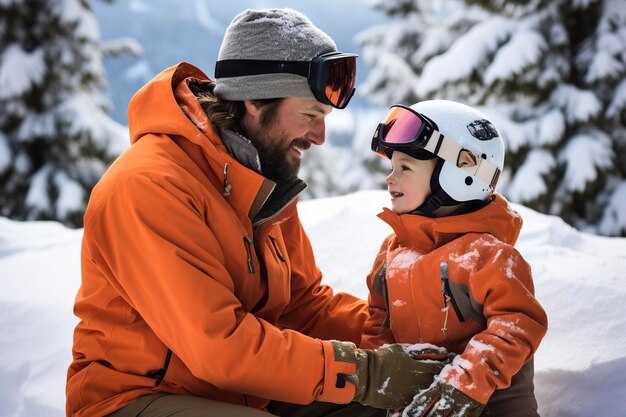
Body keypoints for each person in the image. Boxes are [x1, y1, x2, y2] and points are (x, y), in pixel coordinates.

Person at [66, 8, 450, 417]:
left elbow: (303, 307)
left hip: (240, 389)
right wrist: (365, 373)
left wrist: (406, 330)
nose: (319, 137)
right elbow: (219, 345)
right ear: (253, 98)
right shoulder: (149, 186)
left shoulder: (259, 177)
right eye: (309, 115)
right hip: (134, 397)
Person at [363, 100, 549, 417]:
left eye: (405, 167)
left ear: (459, 176)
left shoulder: (488, 256)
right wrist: (385, 377)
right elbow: (378, 324)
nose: (390, 178)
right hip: (418, 405)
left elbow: (517, 326)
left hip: (494, 405)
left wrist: (460, 386)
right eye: (392, 167)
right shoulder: (392, 252)